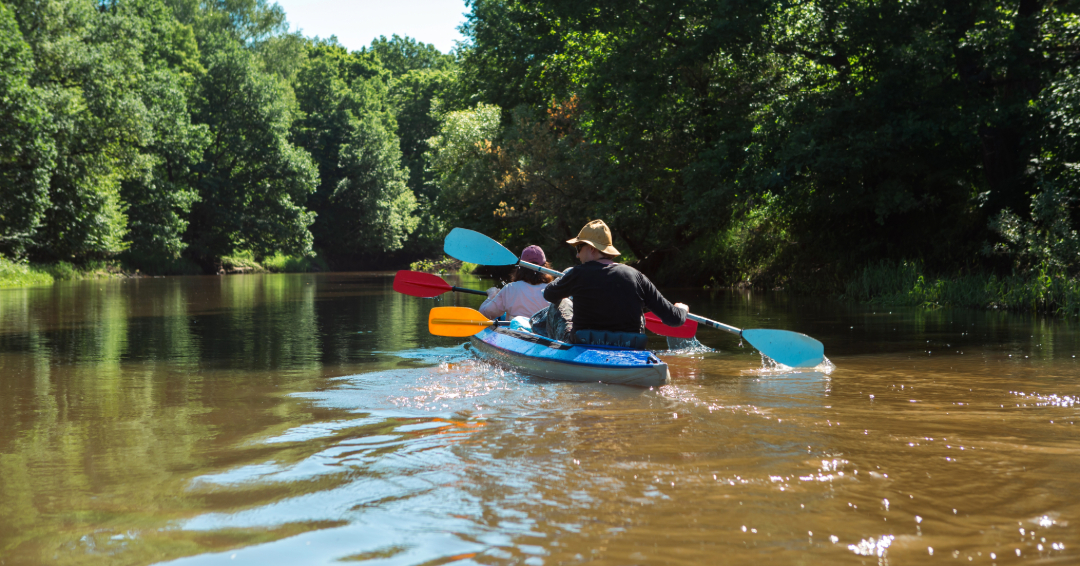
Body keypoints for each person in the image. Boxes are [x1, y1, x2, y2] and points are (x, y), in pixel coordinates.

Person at [537, 219, 688, 345]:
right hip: (628, 346)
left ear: (591, 248)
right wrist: (682, 309)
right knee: (638, 307)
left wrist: (566, 278)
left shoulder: (577, 273)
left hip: (583, 344)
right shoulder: (636, 276)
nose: (577, 255)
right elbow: (674, 319)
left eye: (578, 248)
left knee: (560, 303)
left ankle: (551, 351)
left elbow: (550, 294)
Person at [479, 245, 554, 320]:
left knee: (501, 316)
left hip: (516, 330)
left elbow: (484, 314)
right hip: (542, 331)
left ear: (520, 268)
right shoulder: (553, 291)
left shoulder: (510, 288)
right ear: (546, 267)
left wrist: (491, 296)